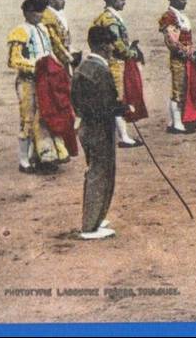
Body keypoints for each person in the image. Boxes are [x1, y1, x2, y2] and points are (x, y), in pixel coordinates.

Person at [70, 26, 126, 240]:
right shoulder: (100, 70)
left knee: (97, 171)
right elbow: (103, 107)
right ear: (104, 45)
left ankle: (96, 217)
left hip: (87, 127)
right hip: (100, 129)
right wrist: (122, 108)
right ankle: (90, 226)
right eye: (111, 43)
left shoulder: (84, 66)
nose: (113, 48)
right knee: (100, 173)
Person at [6, 0, 70, 173]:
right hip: (28, 81)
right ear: (27, 12)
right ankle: (24, 161)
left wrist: (69, 59)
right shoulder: (20, 31)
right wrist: (36, 66)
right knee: (27, 119)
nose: (41, 15)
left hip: (47, 80)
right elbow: (13, 60)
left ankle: (43, 156)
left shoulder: (43, 28)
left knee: (46, 116)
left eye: (42, 12)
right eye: (37, 12)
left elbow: (56, 48)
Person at [91, 0, 145, 147]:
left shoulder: (107, 17)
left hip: (110, 61)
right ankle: (123, 137)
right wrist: (130, 53)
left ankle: (118, 135)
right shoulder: (110, 19)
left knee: (115, 98)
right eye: (121, 0)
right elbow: (116, 42)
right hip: (115, 63)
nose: (124, 3)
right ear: (114, 0)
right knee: (118, 99)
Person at [159, 0, 196, 134]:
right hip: (179, 59)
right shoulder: (169, 17)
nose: (185, 2)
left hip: (186, 58)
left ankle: (175, 120)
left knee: (184, 88)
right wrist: (190, 54)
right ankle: (176, 124)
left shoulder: (179, 16)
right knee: (179, 89)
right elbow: (172, 42)